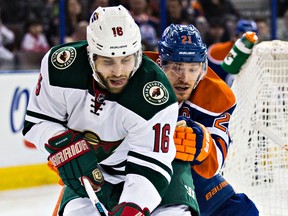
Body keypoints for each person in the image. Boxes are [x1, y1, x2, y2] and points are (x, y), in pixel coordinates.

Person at [22, 5, 200, 216]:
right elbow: (37, 122)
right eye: (108, 61)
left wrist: (132, 208)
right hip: (94, 175)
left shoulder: (155, 92)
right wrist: (62, 143)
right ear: (91, 55)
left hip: (160, 179)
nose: (118, 72)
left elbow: (151, 166)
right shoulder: (60, 67)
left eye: (126, 60)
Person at [145, 23, 259, 216]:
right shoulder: (138, 76)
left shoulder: (216, 95)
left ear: (202, 68)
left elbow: (216, 162)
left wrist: (201, 143)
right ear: (160, 64)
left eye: (192, 68)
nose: (185, 78)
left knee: (242, 211)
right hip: (138, 171)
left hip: (192, 176)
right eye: (177, 67)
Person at [207, 19, 258, 86]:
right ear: (236, 36)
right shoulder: (217, 51)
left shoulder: (260, 54)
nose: (248, 42)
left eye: (252, 38)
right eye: (246, 38)